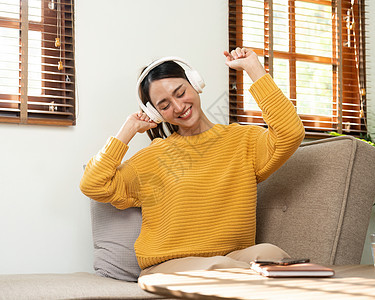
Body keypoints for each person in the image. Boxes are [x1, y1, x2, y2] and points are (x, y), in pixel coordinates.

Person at [80, 47, 305, 278]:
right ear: (156, 114)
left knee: (271, 253)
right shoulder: (153, 158)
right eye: (164, 105)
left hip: (231, 260)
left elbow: (291, 133)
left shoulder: (243, 141)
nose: (178, 107)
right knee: (221, 269)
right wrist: (127, 131)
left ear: (195, 84)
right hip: (167, 266)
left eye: (180, 92)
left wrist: (254, 69)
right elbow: (93, 184)